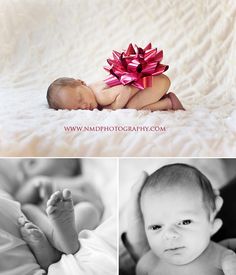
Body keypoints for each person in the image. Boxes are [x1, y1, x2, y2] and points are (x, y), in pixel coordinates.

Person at [122, 164, 236, 275]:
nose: (170, 234)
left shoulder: (224, 258)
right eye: (156, 227)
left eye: (185, 222)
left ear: (212, 224)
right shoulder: (146, 265)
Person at [46, 76, 185, 111]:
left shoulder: (100, 94)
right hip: (153, 82)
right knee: (132, 104)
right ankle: (162, 98)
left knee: (131, 108)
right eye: (76, 108)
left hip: (155, 83)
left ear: (81, 82)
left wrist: (113, 109)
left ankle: (168, 102)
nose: (84, 105)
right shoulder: (94, 87)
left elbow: (125, 90)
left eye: (80, 98)